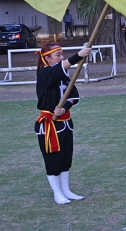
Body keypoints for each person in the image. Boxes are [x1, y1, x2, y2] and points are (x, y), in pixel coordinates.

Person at [34, 42, 91, 204]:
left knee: (66, 159)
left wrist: (64, 108)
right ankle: (57, 193)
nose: (61, 57)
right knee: (53, 160)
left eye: (62, 54)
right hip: (49, 125)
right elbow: (60, 68)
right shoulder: (44, 74)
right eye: (57, 55)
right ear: (47, 59)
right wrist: (78, 55)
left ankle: (66, 190)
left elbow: (73, 96)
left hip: (65, 123)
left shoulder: (63, 75)